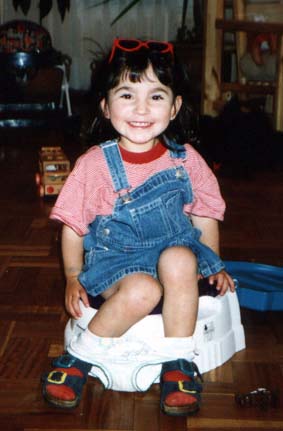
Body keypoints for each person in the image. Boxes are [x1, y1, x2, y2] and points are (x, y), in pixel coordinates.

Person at [42, 38, 235, 416]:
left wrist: (215, 265)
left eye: (157, 96)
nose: (142, 109)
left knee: (181, 258)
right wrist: (71, 276)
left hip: (171, 256)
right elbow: (73, 226)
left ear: (175, 106)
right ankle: (80, 357)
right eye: (127, 95)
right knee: (143, 290)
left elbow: (205, 215)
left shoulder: (186, 160)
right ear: (106, 105)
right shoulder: (94, 164)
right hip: (115, 262)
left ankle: (177, 362)